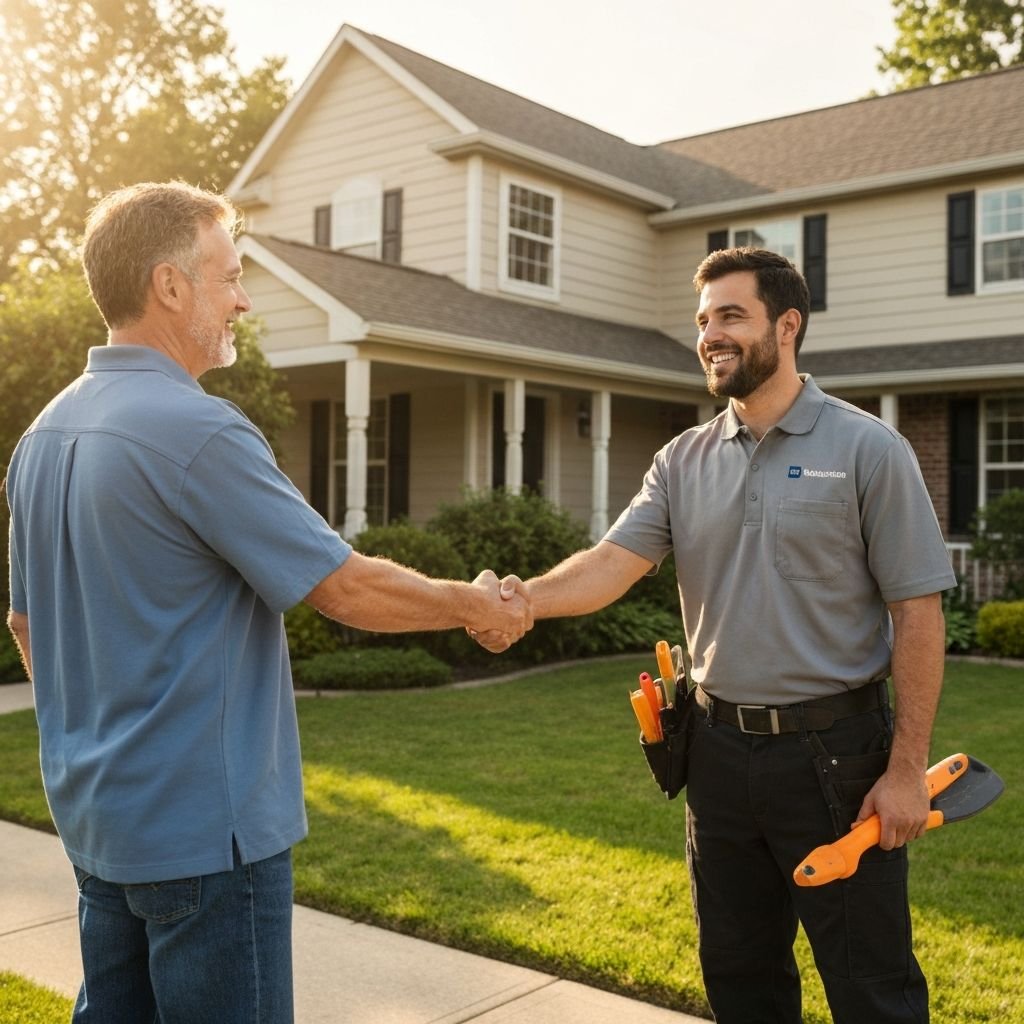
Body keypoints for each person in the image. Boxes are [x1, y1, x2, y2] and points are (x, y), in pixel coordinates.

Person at [4, 180, 531, 1024]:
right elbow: (345, 587)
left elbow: (26, 623)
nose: (243, 299)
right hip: (206, 841)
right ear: (170, 287)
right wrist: (475, 604)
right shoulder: (196, 429)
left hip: (99, 828)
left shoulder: (43, 437)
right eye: (230, 276)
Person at [474, 247, 956, 1023]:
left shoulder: (869, 450)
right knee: (739, 977)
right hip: (719, 757)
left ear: (787, 325)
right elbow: (610, 565)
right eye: (703, 320)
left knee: (872, 988)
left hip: (838, 758)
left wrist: (904, 771)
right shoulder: (682, 460)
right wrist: (519, 601)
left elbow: (918, 614)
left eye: (730, 315)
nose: (710, 335)